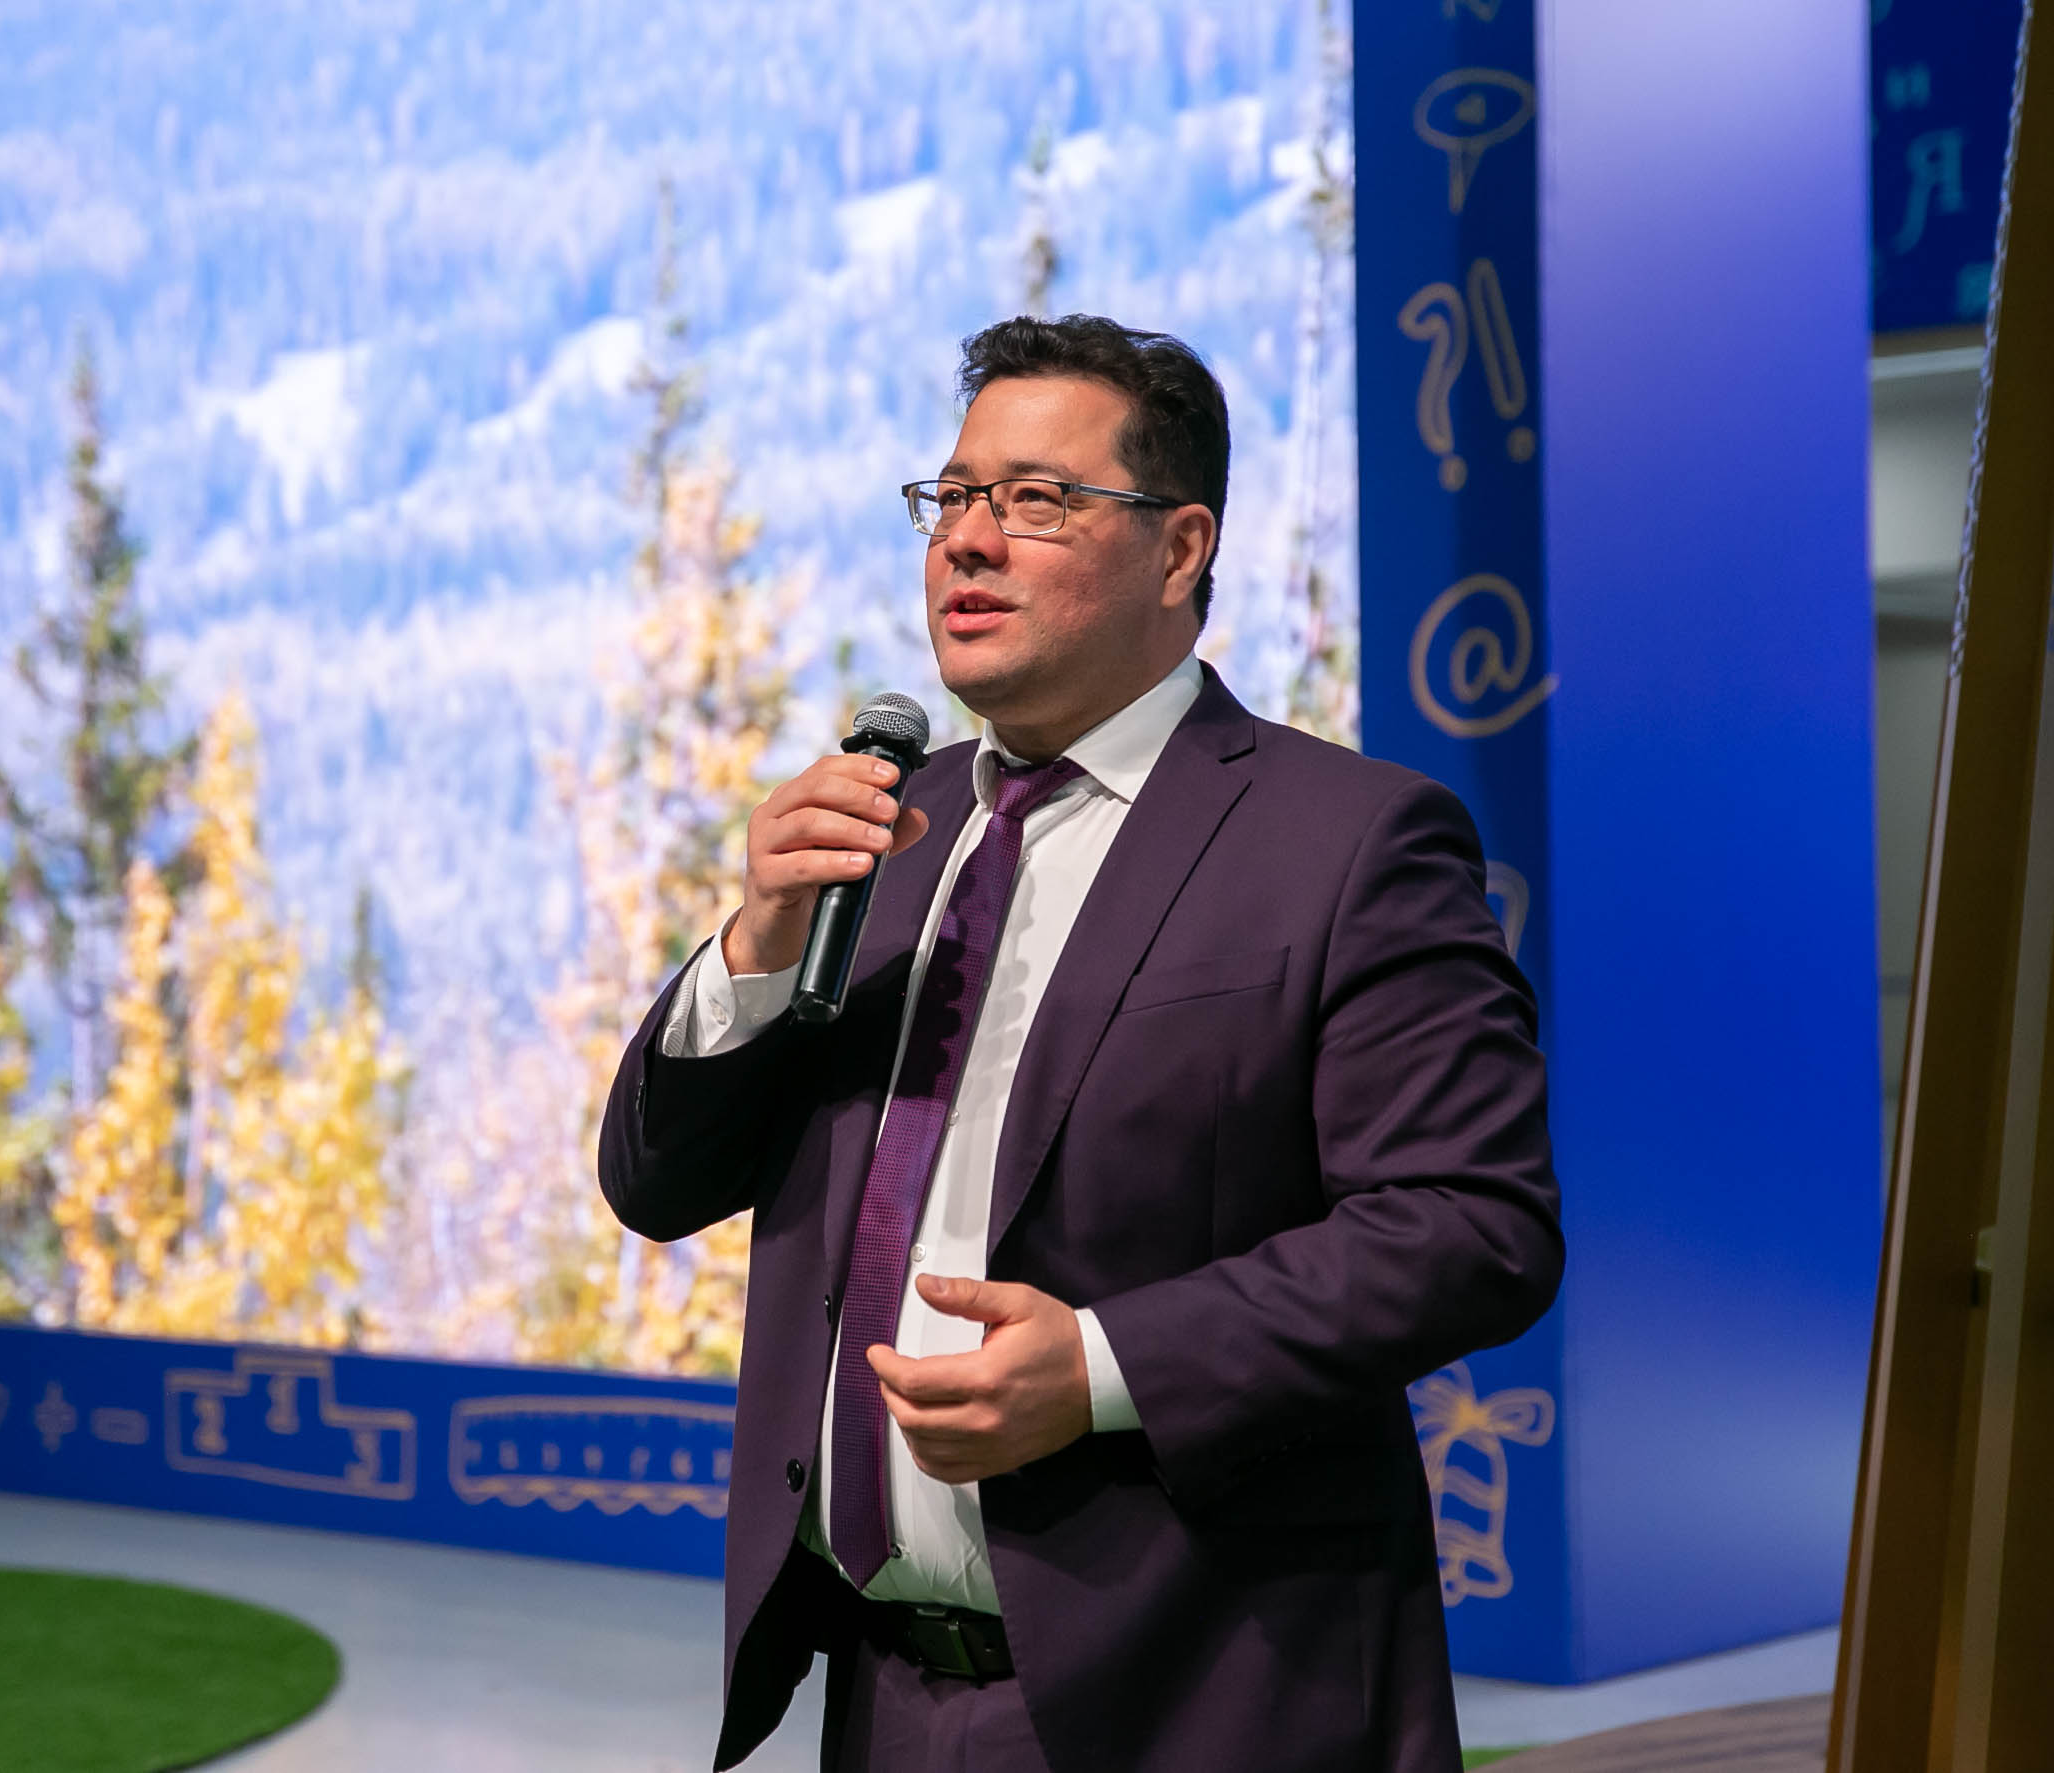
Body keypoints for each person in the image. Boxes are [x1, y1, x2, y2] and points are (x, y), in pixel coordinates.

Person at [599, 314, 1561, 1773]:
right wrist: (758, 945)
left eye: (1037, 500)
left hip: (1203, 1702)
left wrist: (1106, 1365)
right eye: (952, 496)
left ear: (1181, 551)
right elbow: (657, 1183)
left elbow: (1471, 1224)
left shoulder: (1348, 841)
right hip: (879, 1694)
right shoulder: (881, 832)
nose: (969, 541)